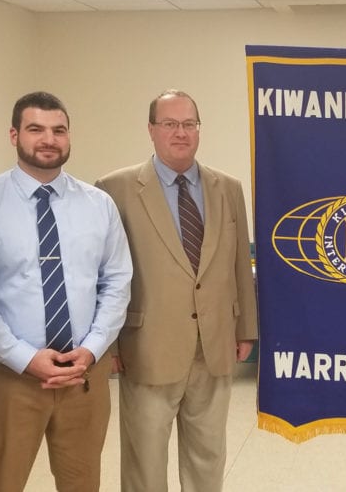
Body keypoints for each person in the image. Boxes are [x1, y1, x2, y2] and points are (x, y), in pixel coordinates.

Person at [0, 91, 132, 491]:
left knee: (83, 484)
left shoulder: (99, 205)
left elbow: (116, 281)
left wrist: (92, 348)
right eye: (35, 129)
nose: (48, 139)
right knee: (1, 484)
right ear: (14, 135)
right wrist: (25, 358)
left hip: (82, 376)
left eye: (59, 130)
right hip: (8, 378)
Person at [96, 89, 258, 492]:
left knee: (208, 456)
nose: (180, 132)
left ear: (199, 129)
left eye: (189, 124)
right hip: (147, 348)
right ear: (151, 129)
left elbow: (240, 263)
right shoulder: (115, 189)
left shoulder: (227, 188)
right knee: (145, 461)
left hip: (214, 344)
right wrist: (108, 346)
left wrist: (245, 329)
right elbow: (104, 273)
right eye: (169, 123)